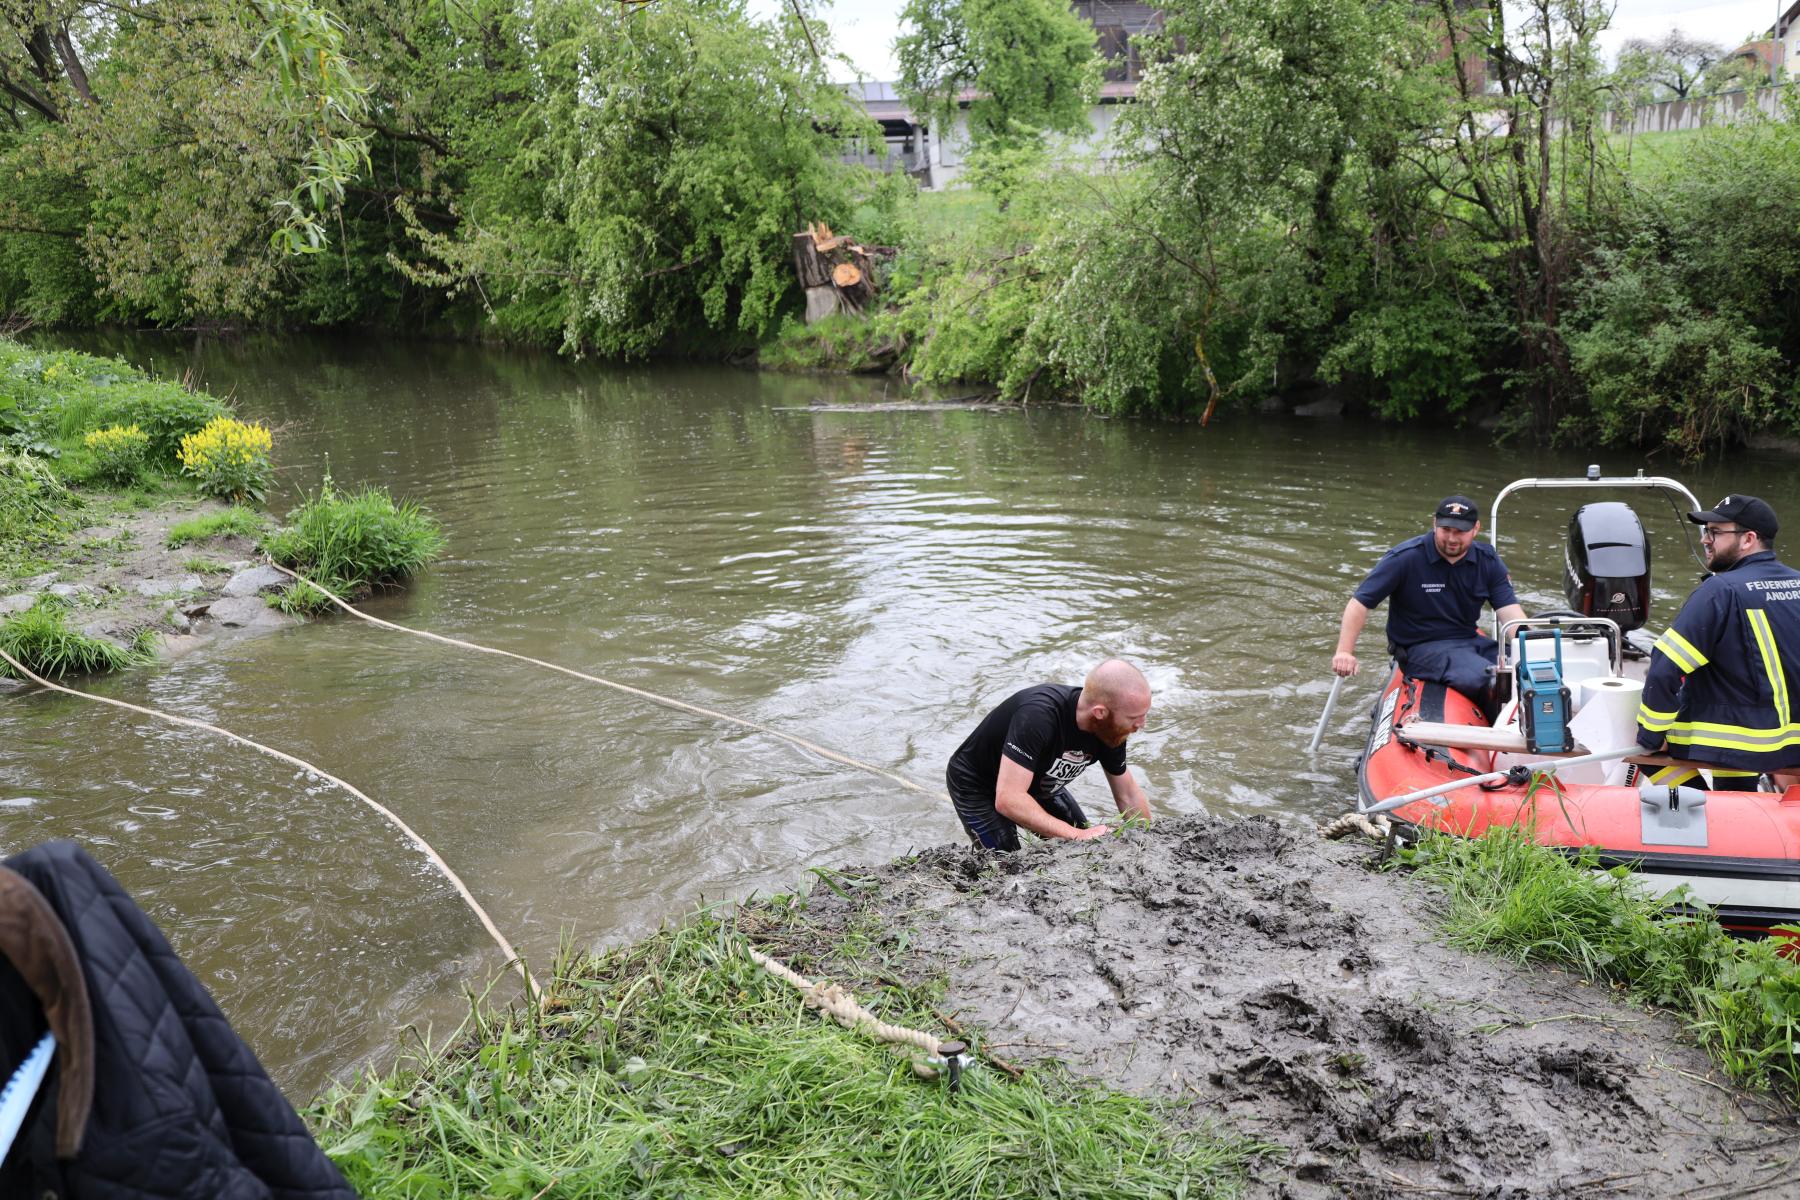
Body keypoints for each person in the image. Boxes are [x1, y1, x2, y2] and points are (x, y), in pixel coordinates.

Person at [1635, 494, 1800, 791]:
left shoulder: (1720, 590)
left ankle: (1704, 810)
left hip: (1741, 741)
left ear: (1748, 539)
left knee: (1638, 746)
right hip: (1789, 743)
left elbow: (1663, 670)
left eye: (1715, 532)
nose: (1705, 540)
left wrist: (1651, 738)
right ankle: (1739, 809)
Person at [1332, 494, 1528, 711]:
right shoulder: (1404, 558)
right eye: (1446, 530)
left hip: (1469, 640)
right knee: (1494, 680)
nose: (1452, 539)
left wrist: (1533, 650)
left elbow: (1510, 614)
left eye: (1460, 532)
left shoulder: (1487, 560)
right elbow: (1359, 603)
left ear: (1476, 528)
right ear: (1435, 524)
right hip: (1421, 648)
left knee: (1525, 670)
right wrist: (1344, 652)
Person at [945, 659, 1153, 851]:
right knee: (1006, 863)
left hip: (1038, 783)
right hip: (977, 786)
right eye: (1135, 717)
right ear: (1100, 712)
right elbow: (1009, 799)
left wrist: (1150, 840)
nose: (1141, 725)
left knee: (1087, 848)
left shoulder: (1110, 729)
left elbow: (1127, 793)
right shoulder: (1039, 717)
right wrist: (1077, 835)